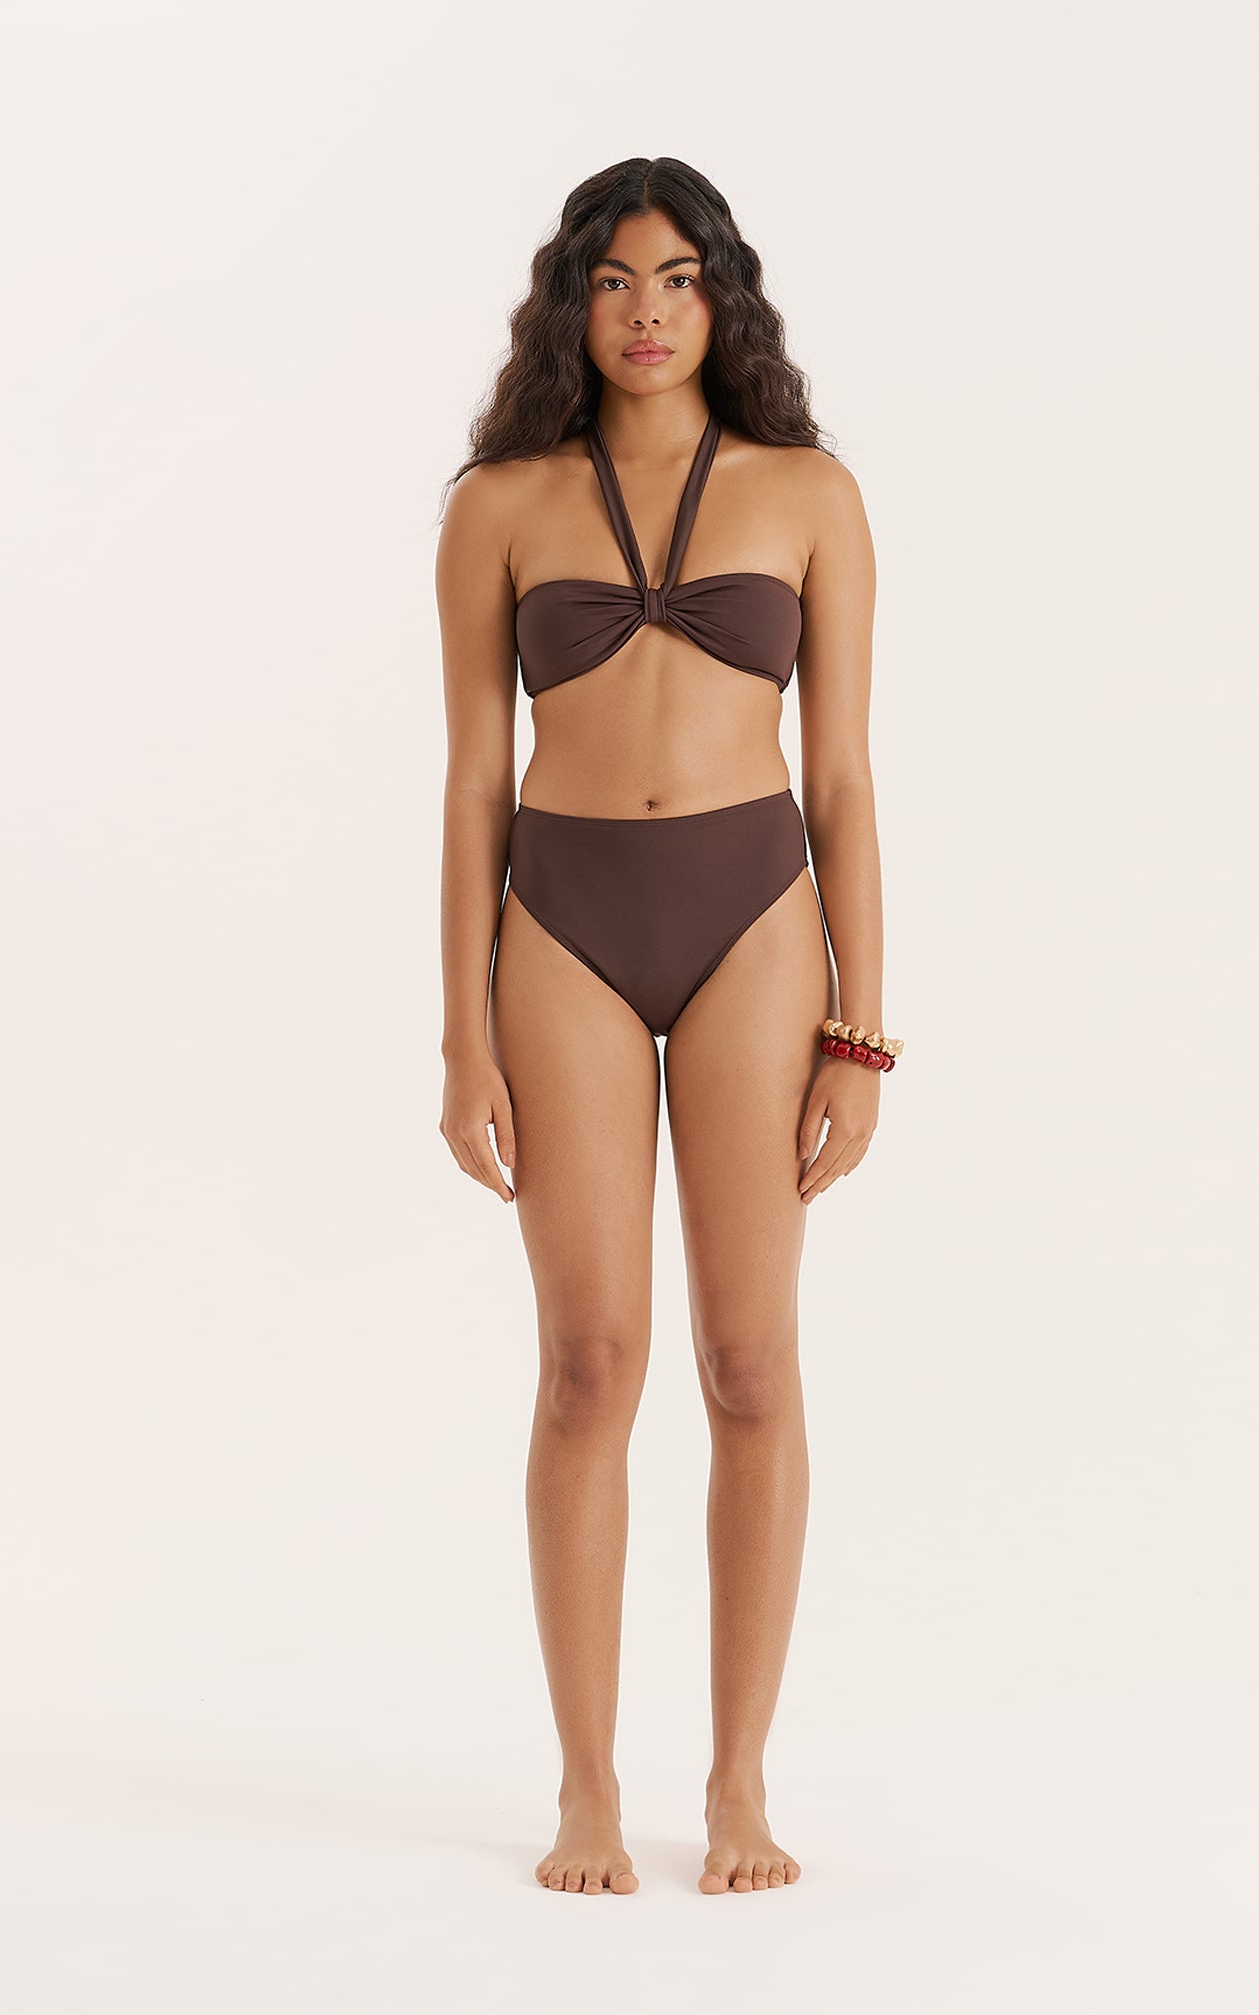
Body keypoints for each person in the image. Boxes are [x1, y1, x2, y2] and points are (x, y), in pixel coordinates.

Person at [435, 157, 896, 1897]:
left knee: (750, 1364)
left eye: (679, 279)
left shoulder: (809, 491)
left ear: (723, 299)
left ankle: (740, 1788)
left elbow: (842, 779)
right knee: (589, 1361)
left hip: (755, 925)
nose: (645, 312)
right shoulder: (500, 505)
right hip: (559, 926)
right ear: (575, 299)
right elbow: (472, 783)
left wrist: (861, 1031)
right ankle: (584, 1788)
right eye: (616, 280)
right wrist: (461, 1037)